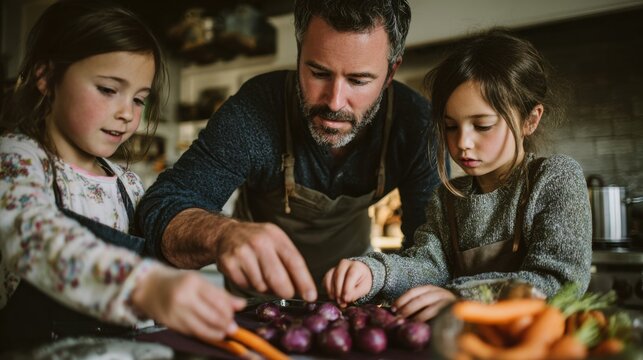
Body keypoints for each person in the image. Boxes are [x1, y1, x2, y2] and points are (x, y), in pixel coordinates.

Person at [136, 0, 442, 301]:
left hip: (351, 296)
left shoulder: (414, 124)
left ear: (391, 72)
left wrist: (385, 279)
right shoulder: (256, 109)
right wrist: (222, 234)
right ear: (299, 53)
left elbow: (429, 251)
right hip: (256, 300)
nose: (334, 102)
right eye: (319, 73)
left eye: (358, 80)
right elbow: (162, 206)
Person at [0, 0, 245, 350]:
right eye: (108, 90)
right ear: (46, 77)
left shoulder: (127, 184)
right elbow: (33, 238)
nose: (127, 114)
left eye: (139, 99)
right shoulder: (17, 159)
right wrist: (146, 287)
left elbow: (158, 261)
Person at [324, 29, 593, 321]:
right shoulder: (448, 198)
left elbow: (559, 282)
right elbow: (428, 266)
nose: (462, 142)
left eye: (482, 125)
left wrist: (460, 296)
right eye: (451, 126)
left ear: (530, 120)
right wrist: (375, 273)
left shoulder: (554, 178)